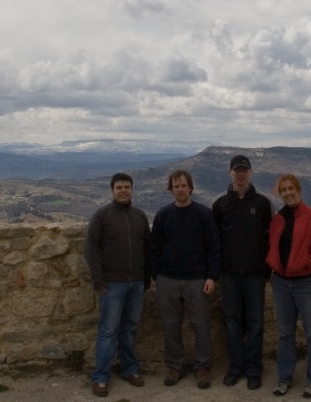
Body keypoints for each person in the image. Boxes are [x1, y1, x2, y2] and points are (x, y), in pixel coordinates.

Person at [150, 170, 221, 390]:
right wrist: (158, 276)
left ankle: (202, 366)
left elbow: (214, 247)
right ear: (171, 190)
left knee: (200, 325)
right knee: (171, 325)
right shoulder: (163, 215)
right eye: (176, 186)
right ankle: (174, 365)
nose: (180, 189)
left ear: (190, 188)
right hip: (168, 280)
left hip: (197, 280)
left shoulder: (203, 214)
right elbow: (154, 248)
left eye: (183, 185)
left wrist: (211, 276)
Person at [266, 174, 311, 399]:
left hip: (309, 283)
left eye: (291, 188)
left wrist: (305, 262)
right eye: (283, 189)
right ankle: (284, 378)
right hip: (282, 283)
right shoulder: (277, 219)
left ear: (299, 190)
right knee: (285, 333)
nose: (288, 192)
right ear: (280, 193)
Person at [84, 172, 151, 398]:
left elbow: (148, 249)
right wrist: (98, 280)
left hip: (136, 283)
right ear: (112, 191)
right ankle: (101, 377)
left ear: (132, 190)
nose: (123, 190)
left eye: (127, 187)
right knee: (108, 331)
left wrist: (147, 277)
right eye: (119, 187)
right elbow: (91, 248)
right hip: (111, 284)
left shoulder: (140, 216)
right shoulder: (102, 215)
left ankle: (129, 369)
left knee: (130, 328)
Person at [212, 154, 273, 390]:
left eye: (244, 170)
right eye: (236, 170)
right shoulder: (219, 204)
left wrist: (268, 270)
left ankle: (254, 369)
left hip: (255, 274)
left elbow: (271, 238)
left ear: (250, 173)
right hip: (229, 274)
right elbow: (214, 240)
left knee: (256, 322)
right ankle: (236, 367)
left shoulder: (263, 203)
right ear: (230, 173)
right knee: (232, 321)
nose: (240, 174)